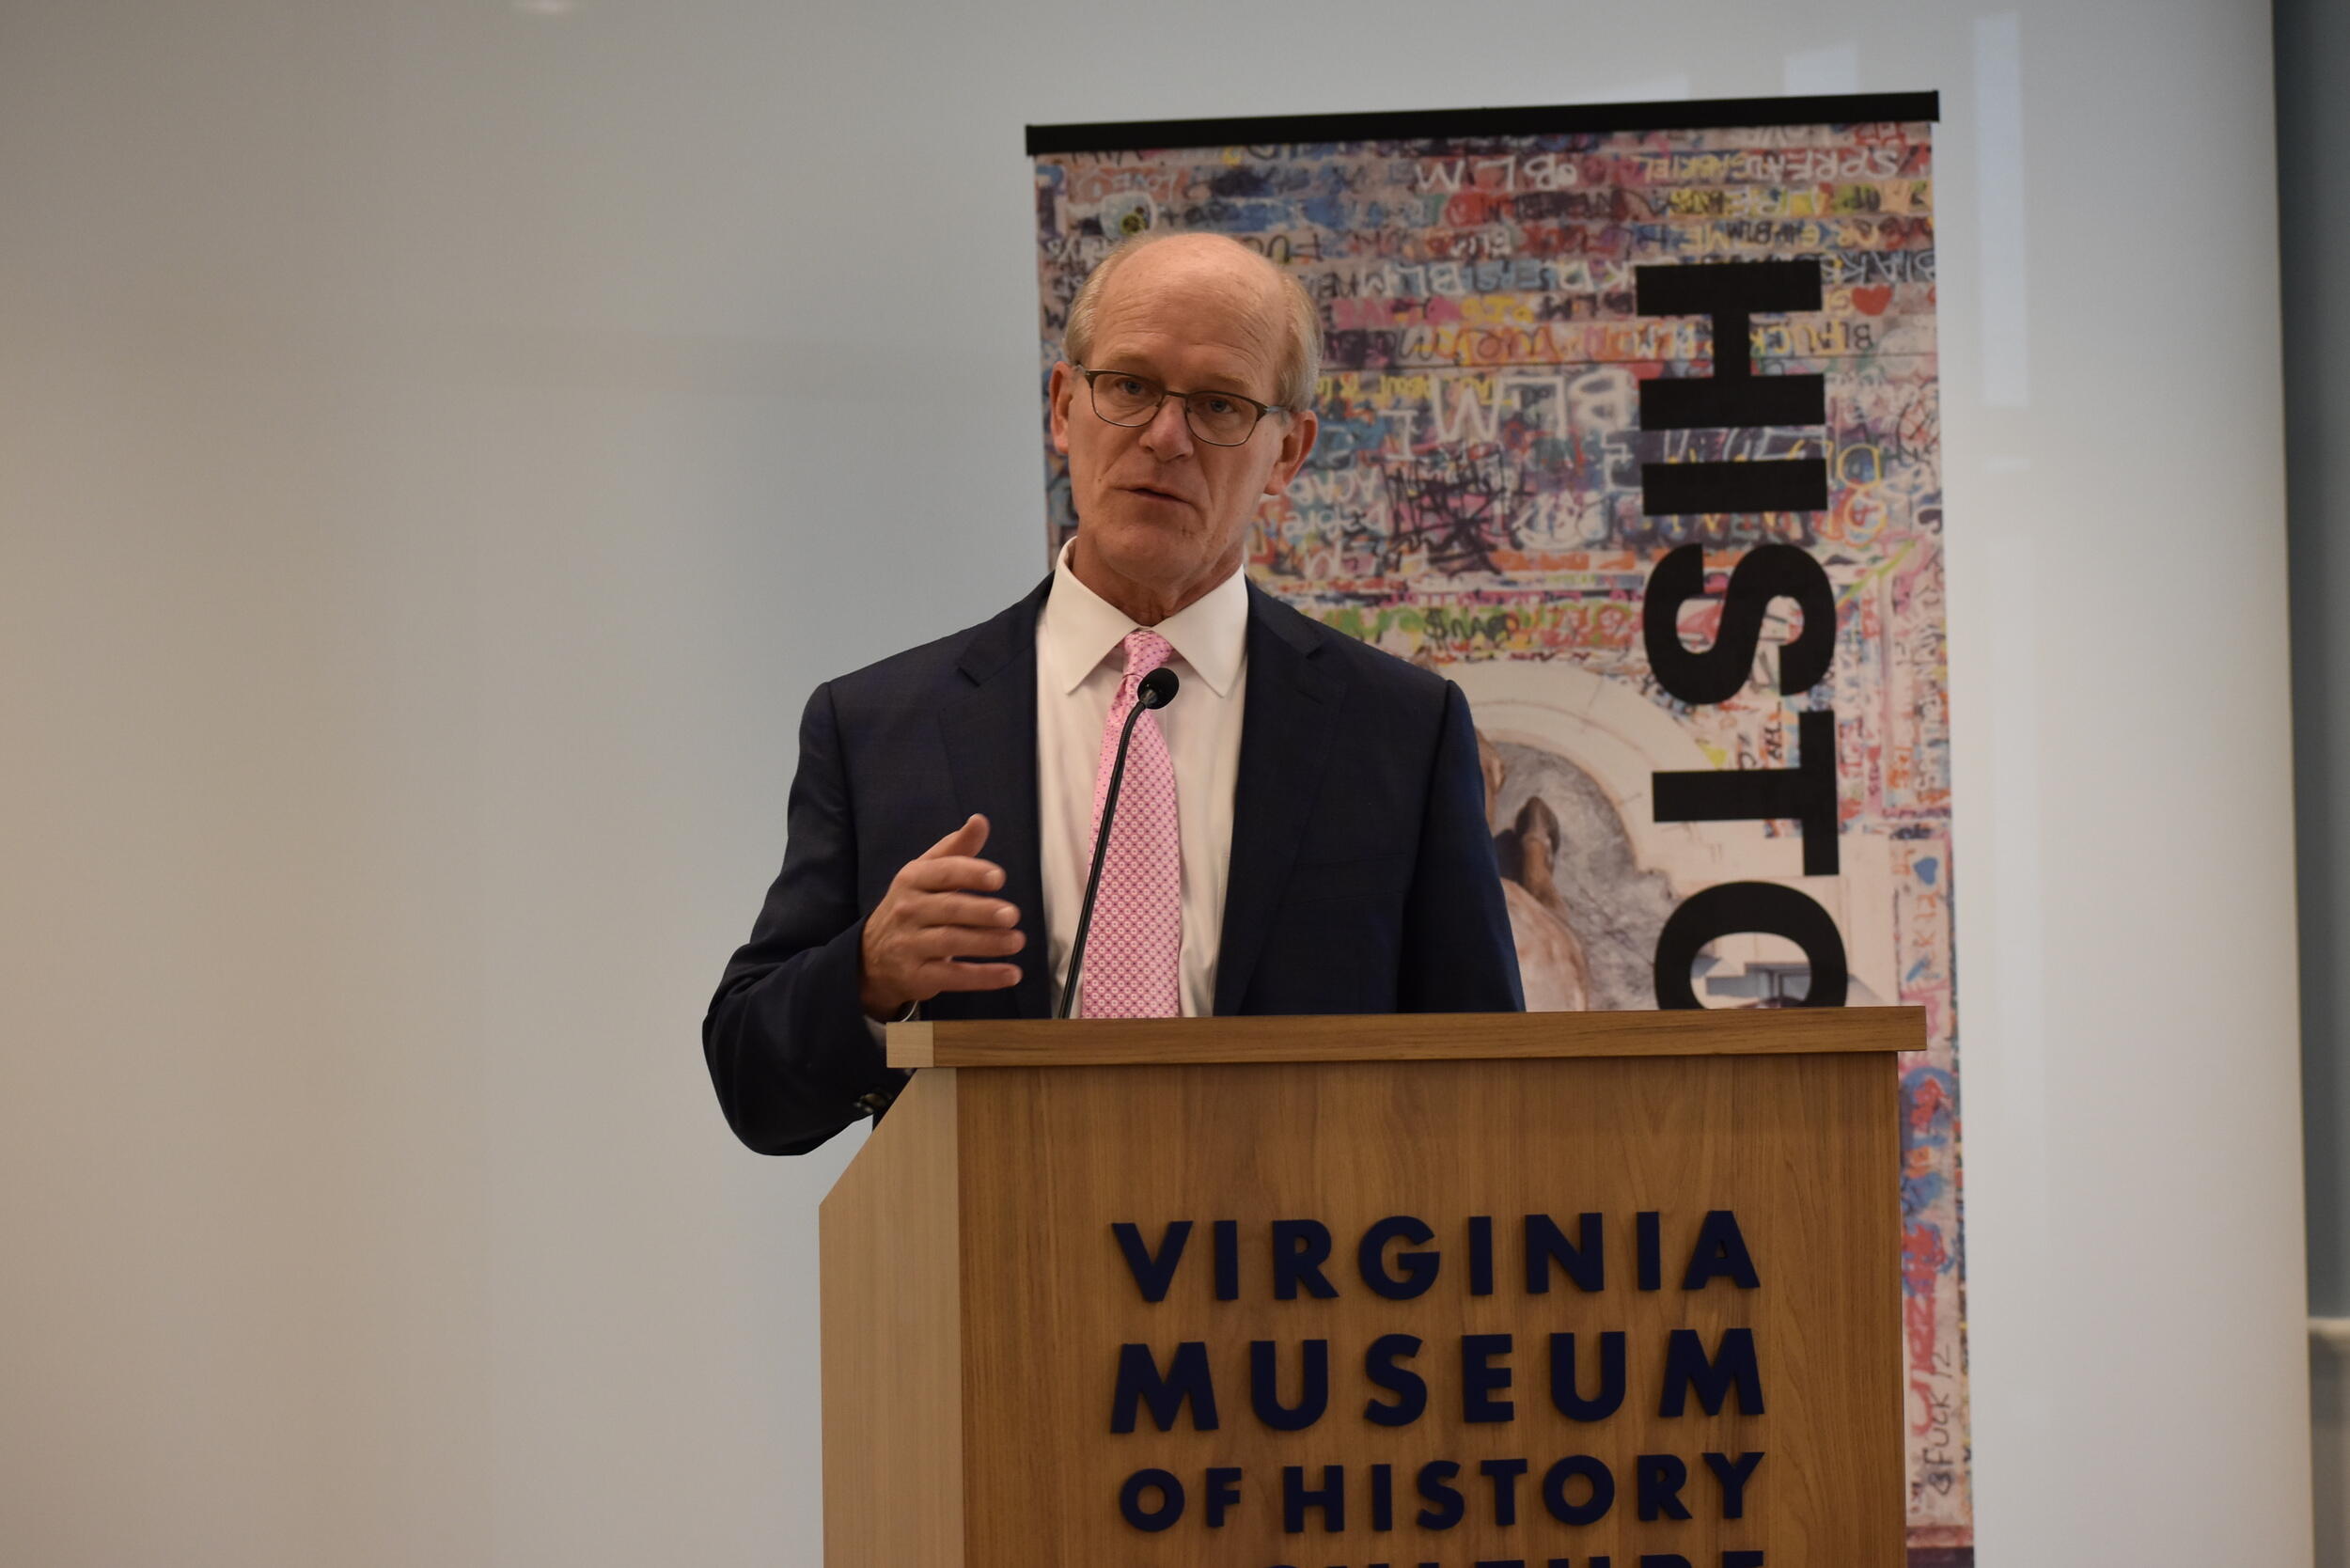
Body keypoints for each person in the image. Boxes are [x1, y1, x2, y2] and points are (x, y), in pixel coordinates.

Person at [703, 231, 1522, 1155]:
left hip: (1307, 1277)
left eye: (1218, 404)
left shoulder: (1401, 734)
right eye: (1128, 386)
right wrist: (866, 975)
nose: (1164, 438)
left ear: (1287, 453)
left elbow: (1485, 1088)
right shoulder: (879, 727)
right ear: (1063, 406)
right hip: (999, 1277)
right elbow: (754, 1089)